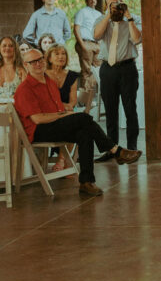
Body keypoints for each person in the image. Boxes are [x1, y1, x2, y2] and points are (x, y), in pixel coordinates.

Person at [13, 48, 141, 197]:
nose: (38, 63)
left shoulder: (49, 82)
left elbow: (58, 107)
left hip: (53, 125)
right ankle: (115, 150)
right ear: (25, 65)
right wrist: (63, 115)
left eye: (40, 59)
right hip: (38, 131)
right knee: (83, 118)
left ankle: (86, 182)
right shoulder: (24, 89)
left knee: (84, 133)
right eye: (32, 62)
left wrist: (63, 114)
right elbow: (37, 119)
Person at [93, 0, 142, 153]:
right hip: (108, 69)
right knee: (110, 111)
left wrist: (128, 18)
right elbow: (96, 35)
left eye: (117, 3)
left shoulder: (132, 18)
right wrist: (108, 15)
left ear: (123, 3)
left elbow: (136, 39)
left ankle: (132, 147)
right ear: (106, 6)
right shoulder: (102, 20)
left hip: (127, 68)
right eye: (111, 4)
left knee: (130, 109)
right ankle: (112, 149)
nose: (115, 7)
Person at [73, 0, 103, 112]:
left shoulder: (99, 14)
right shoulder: (82, 12)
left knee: (99, 70)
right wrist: (82, 45)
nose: (93, 0)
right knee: (86, 71)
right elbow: (76, 28)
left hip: (97, 44)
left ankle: (92, 96)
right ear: (86, 1)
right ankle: (84, 101)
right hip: (86, 43)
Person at [45, 44, 79, 109]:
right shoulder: (43, 75)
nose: (61, 57)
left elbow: (73, 101)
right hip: (48, 112)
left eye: (63, 54)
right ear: (49, 59)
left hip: (66, 111)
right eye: (57, 54)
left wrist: (68, 107)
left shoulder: (72, 75)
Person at [0, 35, 25, 103]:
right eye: (4, 45)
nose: (7, 48)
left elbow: (26, 94)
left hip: (15, 110)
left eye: (11, 46)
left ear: (15, 49)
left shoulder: (21, 69)